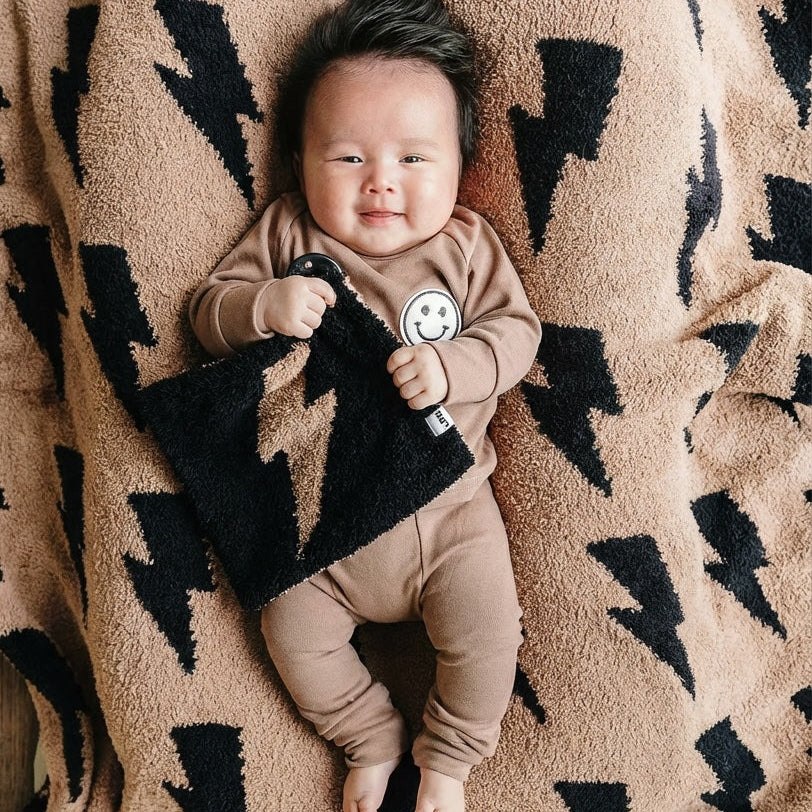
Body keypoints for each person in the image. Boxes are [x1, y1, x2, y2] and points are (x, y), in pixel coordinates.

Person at [189, 1, 541, 809]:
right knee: (291, 633)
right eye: (348, 156)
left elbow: (516, 334)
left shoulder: (464, 246)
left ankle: (448, 762)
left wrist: (454, 367)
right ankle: (368, 737)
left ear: (459, 166)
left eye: (413, 157)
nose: (381, 180)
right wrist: (262, 307)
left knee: (491, 636)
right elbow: (207, 312)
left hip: (451, 516)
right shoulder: (288, 236)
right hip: (318, 526)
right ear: (299, 161)